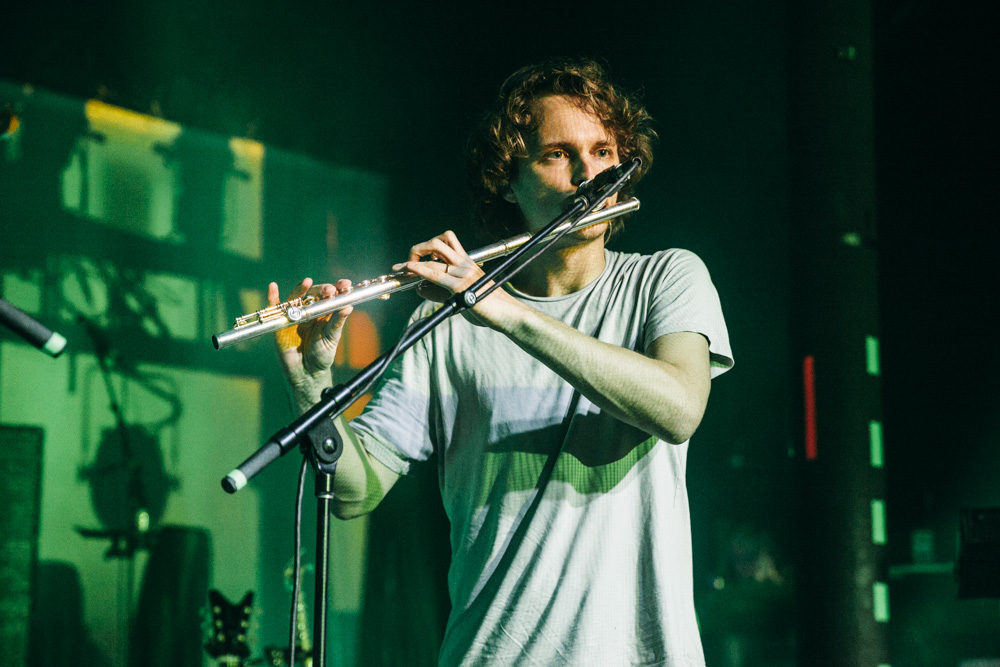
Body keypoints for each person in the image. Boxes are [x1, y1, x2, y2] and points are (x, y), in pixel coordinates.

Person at [270, 58, 733, 666]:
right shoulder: (446, 323)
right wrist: (313, 385)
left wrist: (499, 309)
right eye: (557, 154)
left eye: (602, 152)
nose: (589, 173)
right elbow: (356, 492)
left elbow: (678, 408)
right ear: (508, 180)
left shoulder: (666, 278)